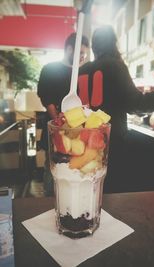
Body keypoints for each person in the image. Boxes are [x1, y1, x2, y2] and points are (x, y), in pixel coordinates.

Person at [78, 25, 154, 193]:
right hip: (111, 148)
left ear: (94, 46)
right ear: (114, 43)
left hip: (84, 145)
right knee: (109, 197)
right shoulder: (115, 66)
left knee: (87, 192)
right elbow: (139, 105)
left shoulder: (82, 70)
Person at [37, 32, 89, 196]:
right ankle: (49, 203)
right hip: (55, 131)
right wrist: (60, 123)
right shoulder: (50, 69)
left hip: (79, 134)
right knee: (52, 168)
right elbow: (47, 99)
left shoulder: (84, 73)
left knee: (75, 171)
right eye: (80, 53)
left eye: (84, 54)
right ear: (69, 49)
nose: (82, 57)